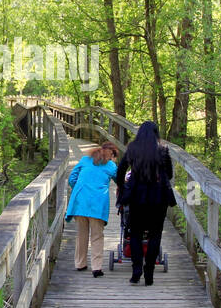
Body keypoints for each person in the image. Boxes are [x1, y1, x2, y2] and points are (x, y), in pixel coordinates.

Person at [115, 121, 176, 285]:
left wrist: (122, 186)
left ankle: (136, 270)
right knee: (155, 234)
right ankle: (149, 272)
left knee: (135, 232)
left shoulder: (133, 148)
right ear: (156, 134)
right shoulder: (162, 150)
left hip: (137, 197)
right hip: (158, 198)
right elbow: (169, 174)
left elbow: (120, 170)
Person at [65, 141, 120, 277]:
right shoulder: (111, 165)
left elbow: (72, 178)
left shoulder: (85, 159)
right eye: (114, 156)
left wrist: (78, 188)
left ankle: (80, 263)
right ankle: (96, 268)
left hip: (80, 201)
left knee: (81, 234)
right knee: (97, 235)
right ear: (111, 154)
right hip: (97, 203)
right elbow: (121, 182)